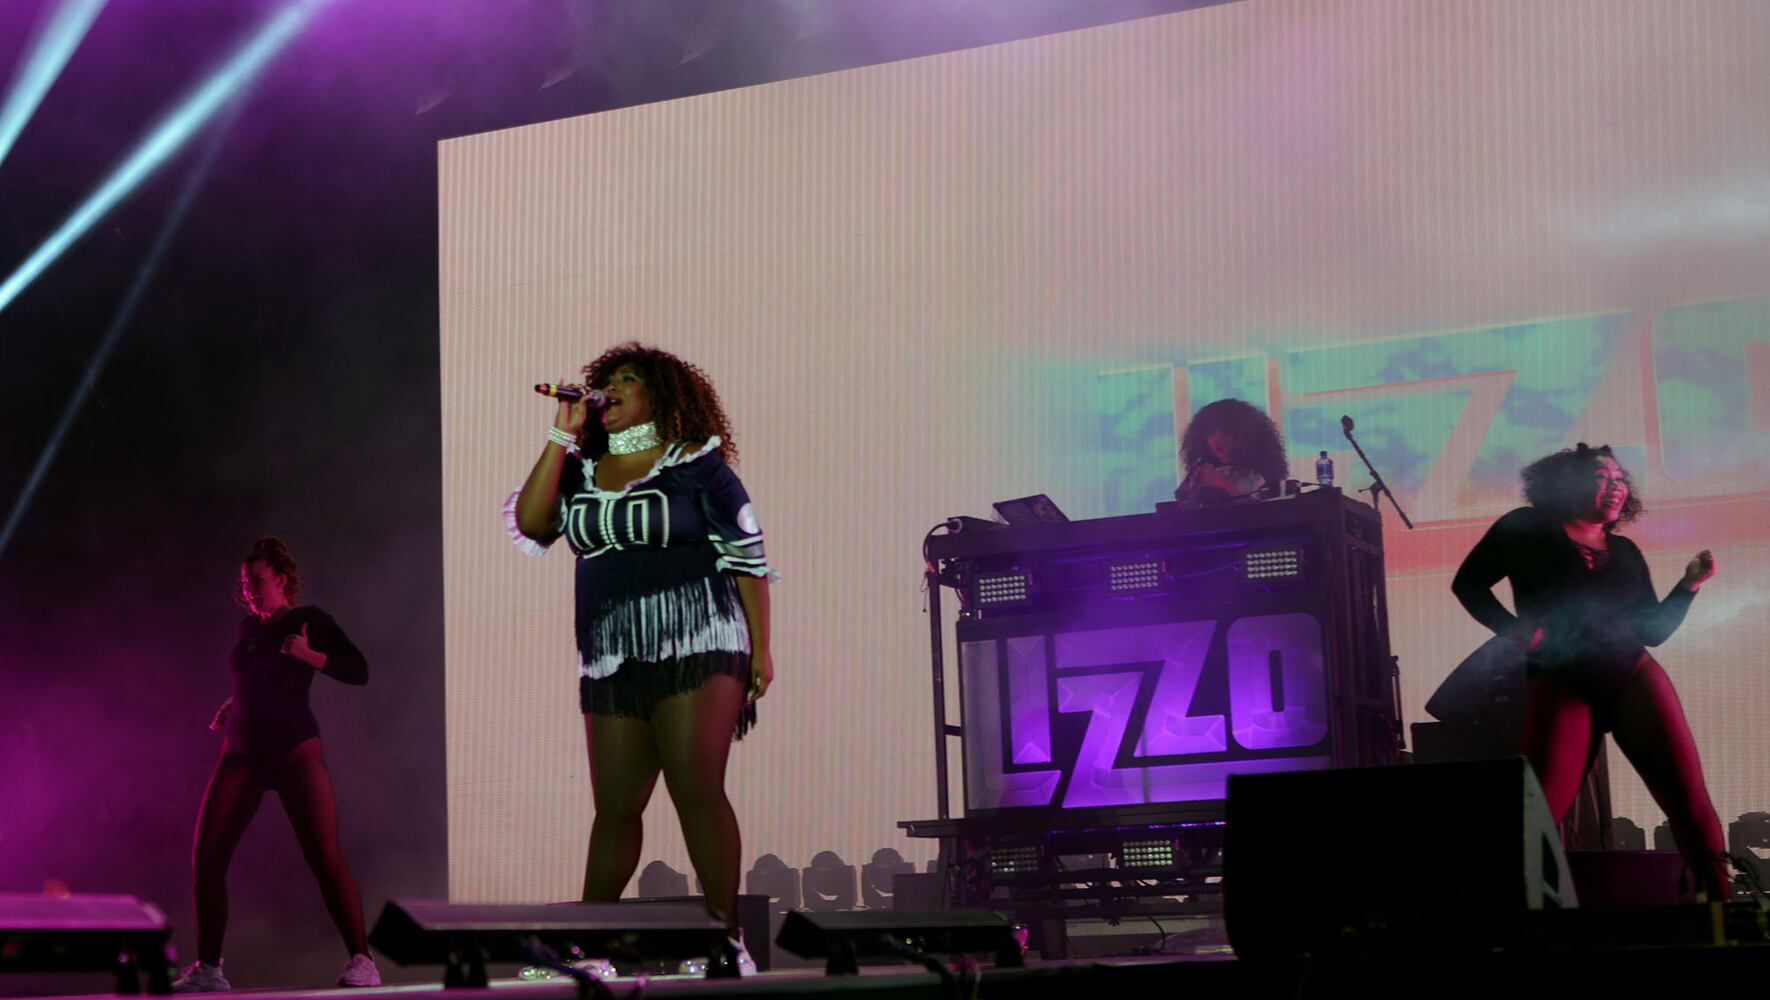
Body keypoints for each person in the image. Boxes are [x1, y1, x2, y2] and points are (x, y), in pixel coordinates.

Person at [508, 342, 773, 975]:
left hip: (698, 642)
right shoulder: (582, 469)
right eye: (607, 380)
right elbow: (534, 523)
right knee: (615, 807)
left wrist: (761, 651)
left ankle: (724, 941)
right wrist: (561, 436)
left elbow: (748, 560)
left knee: (695, 788)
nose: (612, 389)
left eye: (628, 379)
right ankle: (589, 947)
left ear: (660, 395)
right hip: (613, 655)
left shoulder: (697, 466)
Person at [1452, 444, 1727, 899]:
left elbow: (1652, 631)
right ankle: (1522, 916)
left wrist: (1689, 585)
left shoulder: (1625, 552)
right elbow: (1469, 584)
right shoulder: (1525, 528)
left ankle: (1725, 907)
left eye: (1620, 480)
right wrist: (1511, 628)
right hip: (1563, 681)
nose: (1616, 487)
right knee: (1538, 814)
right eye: (1602, 478)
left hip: (1631, 674)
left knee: (1688, 800)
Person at [172, 538, 379, 991]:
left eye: (257, 581)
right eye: (245, 583)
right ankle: (210, 970)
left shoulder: (309, 620)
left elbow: (359, 670)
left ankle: (363, 960)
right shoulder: (248, 628)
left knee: (323, 855)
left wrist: (310, 656)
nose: (249, 590)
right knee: (207, 857)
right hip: (242, 752)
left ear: (281, 580)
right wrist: (234, 702)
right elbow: (258, 678)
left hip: (293, 750)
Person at [1173, 398, 1289, 505]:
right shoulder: (1203, 469)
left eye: (1226, 430)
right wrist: (1194, 489)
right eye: (1210, 431)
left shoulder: (1262, 470)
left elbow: (1265, 512)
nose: (1227, 454)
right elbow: (1183, 506)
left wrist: (1225, 485)